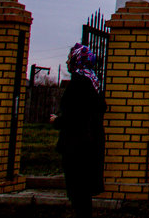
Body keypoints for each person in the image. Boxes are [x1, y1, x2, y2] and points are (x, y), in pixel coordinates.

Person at [52, 43, 105, 218]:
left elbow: (76, 115)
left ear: (77, 60)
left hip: (77, 144)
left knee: (78, 191)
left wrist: (57, 120)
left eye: (70, 58)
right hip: (90, 143)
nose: (67, 61)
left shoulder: (79, 83)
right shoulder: (93, 82)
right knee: (83, 192)